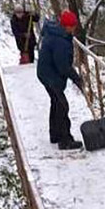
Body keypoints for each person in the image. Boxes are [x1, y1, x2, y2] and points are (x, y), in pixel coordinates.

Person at [36, 10, 84, 151]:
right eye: (73, 26)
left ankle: (55, 134)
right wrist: (76, 79)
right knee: (62, 105)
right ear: (66, 26)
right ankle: (65, 140)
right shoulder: (60, 41)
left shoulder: (58, 33)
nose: (74, 28)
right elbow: (63, 66)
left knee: (56, 102)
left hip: (46, 72)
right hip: (50, 75)